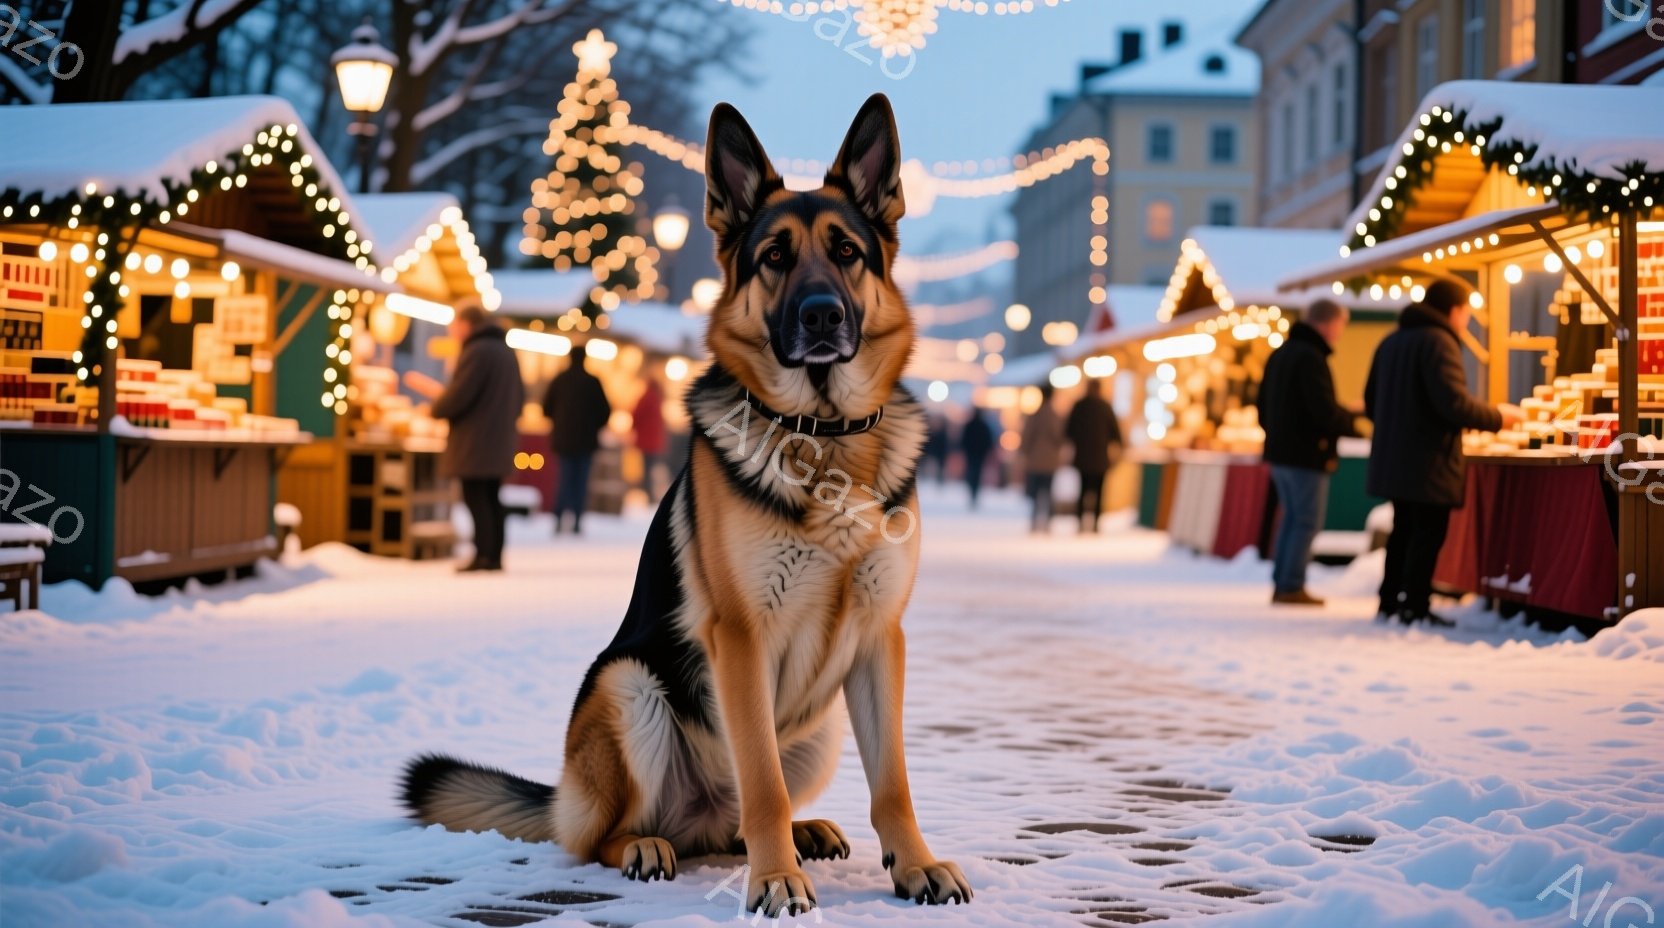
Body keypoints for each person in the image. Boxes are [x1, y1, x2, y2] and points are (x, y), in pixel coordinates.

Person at [1365, 280, 1522, 626]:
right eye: (1466, 312)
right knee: (1426, 534)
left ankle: (1390, 601)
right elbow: (1452, 404)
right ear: (1454, 310)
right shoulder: (1439, 342)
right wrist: (1500, 417)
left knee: (1402, 530)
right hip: (1428, 460)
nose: (1466, 320)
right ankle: (1415, 607)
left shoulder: (1391, 341)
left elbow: (1370, 401)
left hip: (1395, 458)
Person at [1257, 299, 1363, 606]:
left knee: (1291, 518)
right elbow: (1322, 411)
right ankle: (1291, 585)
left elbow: (1262, 406)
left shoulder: (1281, 354)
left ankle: (1283, 581)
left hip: (1280, 453)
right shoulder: (1311, 358)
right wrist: (1354, 424)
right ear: (1328, 323)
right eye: (1341, 325)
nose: (1341, 333)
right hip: (1306, 454)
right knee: (1305, 521)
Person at [405, 305, 523, 572]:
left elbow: (460, 394)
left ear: (466, 324)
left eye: (454, 325)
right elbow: (519, 397)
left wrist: (437, 408)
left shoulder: (476, 351)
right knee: (492, 497)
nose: (452, 331)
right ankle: (493, 556)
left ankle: (483, 555)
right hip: (498, 437)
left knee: (476, 496)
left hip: (476, 440)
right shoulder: (505, 350)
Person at [542, 343, 613, 535]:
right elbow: (605, 411)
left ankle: (558, 518)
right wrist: (593, 426)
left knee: (564, 480)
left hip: (563, 440)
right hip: (586, 441)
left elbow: (546, 408)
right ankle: (577, 520)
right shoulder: (592, 382)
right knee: (581, 482)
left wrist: (559, 422)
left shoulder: (560, 380)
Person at [1065, 378, 1124, 534]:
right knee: (1099, 492)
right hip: (1100, 458)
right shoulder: (1105, 407)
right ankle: (1096, 524)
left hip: (1082, 457)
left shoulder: (1079, 406)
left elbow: (1069, 431)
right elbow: (1116, 433)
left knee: (1083, 490)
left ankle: (1080, 522)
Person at [1020, 383, 1066, 534]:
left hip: (1035, 460)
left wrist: (1024, 452)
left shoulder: (1035, 415)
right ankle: (1047, 522)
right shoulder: (1055, 416)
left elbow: (1026, 436)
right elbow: (1059, 437)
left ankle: (1034, 521)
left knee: (1035, 492)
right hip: (1050, 461)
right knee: (1048, 491)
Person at [632, 378, 668, 504]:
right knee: (651, 468)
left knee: (647, 469)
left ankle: (648, 493)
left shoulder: (646, 397)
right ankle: (650, 493)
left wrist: (635, 428)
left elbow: (636, 415)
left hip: (646, 441)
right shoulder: (658, 399)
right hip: (654, 442)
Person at [959, 407, 995, 510]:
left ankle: (972, 493)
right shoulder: (984, 426)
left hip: (971, 455)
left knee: (971, 474)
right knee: (977, 475)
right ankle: (974, 494)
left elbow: (964, 440)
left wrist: (965, 450)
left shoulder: (969, 425)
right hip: (979, 455)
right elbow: (988, 441)